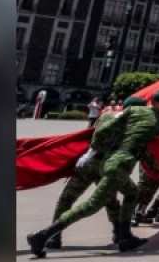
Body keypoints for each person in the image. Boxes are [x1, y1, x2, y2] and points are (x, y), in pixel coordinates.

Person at [27, 89, 159, 257]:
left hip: (108, 162)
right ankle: (43, 236)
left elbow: (138, 147)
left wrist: (91, 151)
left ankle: (124, 236)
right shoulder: (155, 119)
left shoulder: (124, 115)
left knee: (130, 194)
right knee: (94, 204)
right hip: (118, 164)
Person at [43, 95, 147, 250]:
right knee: (111, 200)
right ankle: (119, 233)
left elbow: (93, 134)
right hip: (108, 166)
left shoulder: (106, 116)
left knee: (67, 198)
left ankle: (54, 237)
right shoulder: (135, 126)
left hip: (89, 162)